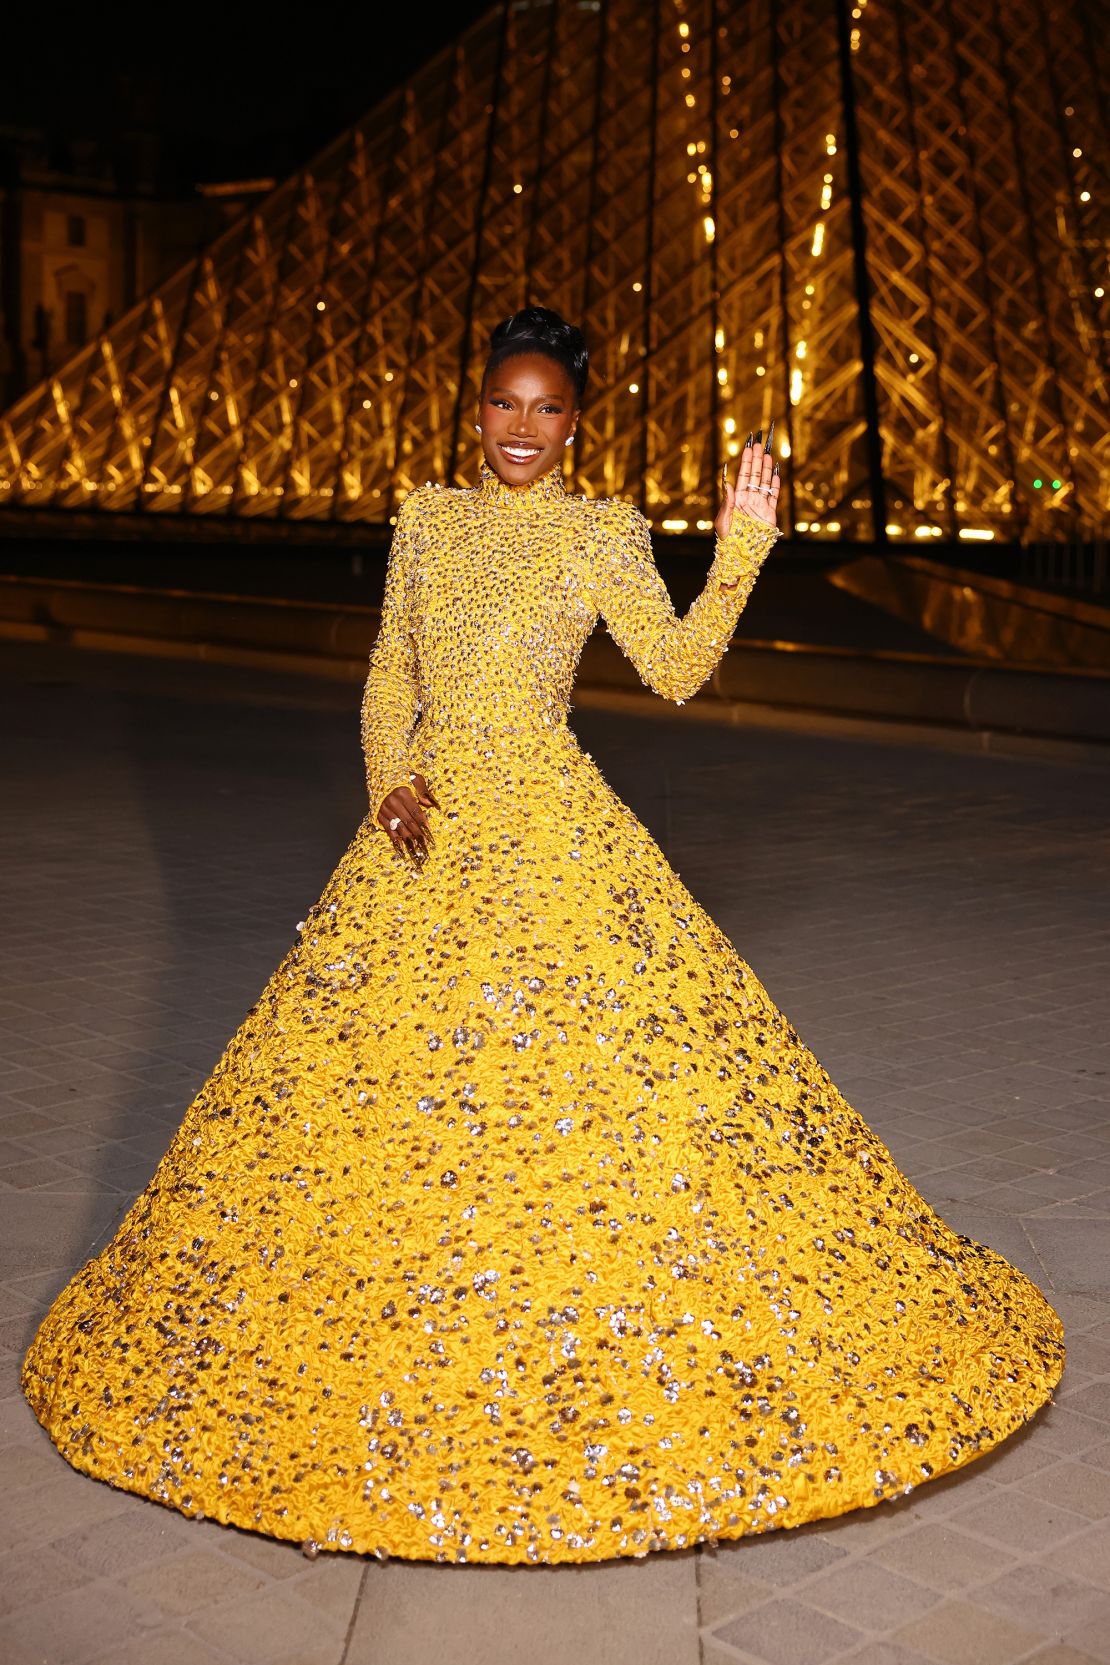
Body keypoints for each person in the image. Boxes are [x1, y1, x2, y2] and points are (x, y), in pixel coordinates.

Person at [21, 306, 1064, 1567]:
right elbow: (388, 670)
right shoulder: (425, 519)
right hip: (423, 835)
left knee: (594, 1089)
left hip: (553, 830)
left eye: (549, 408)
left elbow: (674, 669)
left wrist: (740, 553)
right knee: (373, 1093)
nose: (524, 428)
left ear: (580, 421)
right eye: (504, 405)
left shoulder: (600, 534)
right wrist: (384, 777)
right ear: (476, 410)